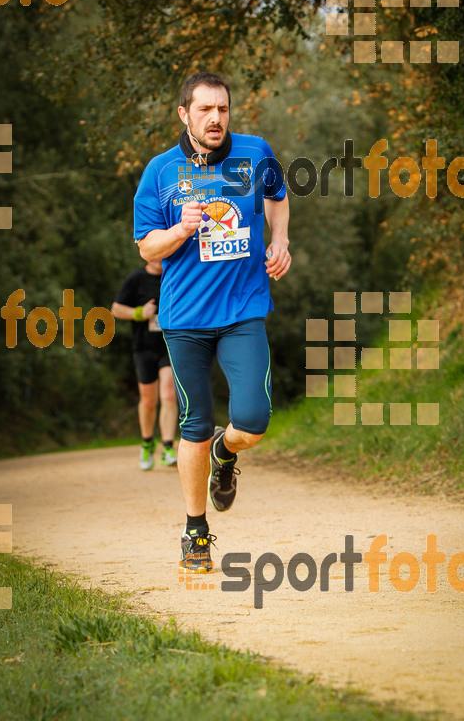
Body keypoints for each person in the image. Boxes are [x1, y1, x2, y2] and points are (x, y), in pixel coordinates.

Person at [133, 72, 291, 573]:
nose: (216, 119)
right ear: (184, 114)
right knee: (193, 425)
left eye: (222, 109)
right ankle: (195, 532)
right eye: (205, 110)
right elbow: (146, 246)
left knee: (253, 421)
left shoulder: (254, 151)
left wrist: (280, 240)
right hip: (185, 319)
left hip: (244, 310)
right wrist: (179, 228)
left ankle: (228, 453)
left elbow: (278, 195)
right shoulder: (160, 172)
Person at [111, 259, 179, 470]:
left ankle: (168, 446)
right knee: (148, 400)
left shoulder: (175, 272)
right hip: (144, 348)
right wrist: (139, 313)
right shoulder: (136, 278)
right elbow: (116, 309)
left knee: (168, 393)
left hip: (170, 346)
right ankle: (147, 441)